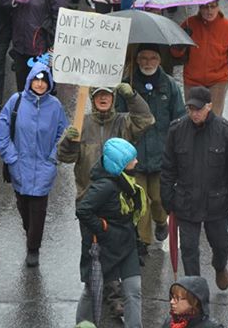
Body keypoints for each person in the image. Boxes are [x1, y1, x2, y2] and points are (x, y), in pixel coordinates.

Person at [161, 86, 228, 289]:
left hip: (216, 203)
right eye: (191, 109)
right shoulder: (176, 130)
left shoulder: (226, 131)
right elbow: (168, 168)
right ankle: (196, 291)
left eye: (199, 109)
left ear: (209, 106)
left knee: (221, 244)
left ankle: (220, 266)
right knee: (189, 249)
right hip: (186, 202)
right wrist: (167, 200)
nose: (194, 113)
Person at [0, 62, 68, 267]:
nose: (40, 84)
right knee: (23, 206)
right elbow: (2, 131)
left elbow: (64, 134)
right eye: (36, 80)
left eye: (44, 80)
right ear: (30, 81)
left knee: (39, 210)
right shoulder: (16, 101)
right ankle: (31, 233)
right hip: (19, 165)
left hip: (44, 167)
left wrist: (53, 158)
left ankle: (33, 247)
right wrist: (12, 158)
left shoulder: (55, 106)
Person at [116, 44, 185, 254]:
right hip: (134, 156)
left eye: (152, 58)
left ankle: (161, 221)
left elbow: (179, 117)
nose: (148, 62)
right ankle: (143, 241)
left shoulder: (170, 86)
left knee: (159, 199)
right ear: (136, 60)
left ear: (159, 60)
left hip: (162, 156)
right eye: (143, 58)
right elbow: (118, 117)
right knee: (140, 200)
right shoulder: (127, 85)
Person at [75, 138, 146, 328]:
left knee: (133, 290)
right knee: (92, 291)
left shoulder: (126, 182)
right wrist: (102, 228)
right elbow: (83, 210)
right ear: (120, 164)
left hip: (126, 245)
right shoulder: (105, 186)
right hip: (104, 248)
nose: (137, 162)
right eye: (132, 160)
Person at [172, 0, 228, 116]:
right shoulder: (189, 24)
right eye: (205, 7)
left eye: (213, 7)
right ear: (199, 8)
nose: (209, 11)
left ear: (218, 7)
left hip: (218, 81)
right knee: (194, 117)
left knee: (214, 120)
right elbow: (175, 54)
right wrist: (180, 45)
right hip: (193, 79)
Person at [0, 0, 67, 90]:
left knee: (39, 86)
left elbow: (61, 17)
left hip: (40, 48)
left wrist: (54, 44)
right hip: (20, 46)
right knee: (22, 86)